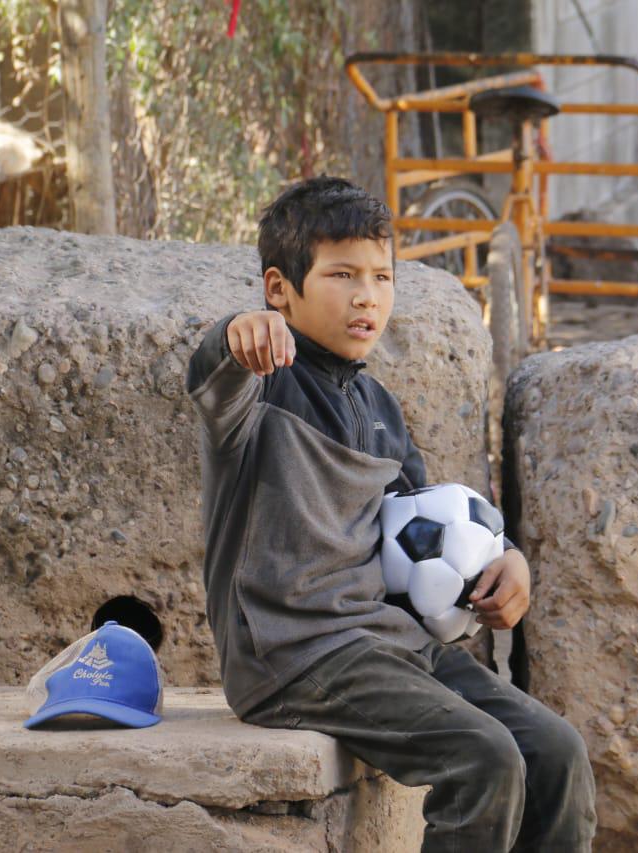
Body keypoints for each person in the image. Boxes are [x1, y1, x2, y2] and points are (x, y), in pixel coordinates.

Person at [186, 175, 595, 851]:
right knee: (482, 758)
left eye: (381, 276)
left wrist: (505, 563)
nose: (366, 295)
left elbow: (427, 532)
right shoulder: (260, 390)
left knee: (557, 750)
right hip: (295, 655)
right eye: (342, 274)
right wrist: (237, 333)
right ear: (279, 288)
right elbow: (212, 373)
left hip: (389, 643)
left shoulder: (380, 408)